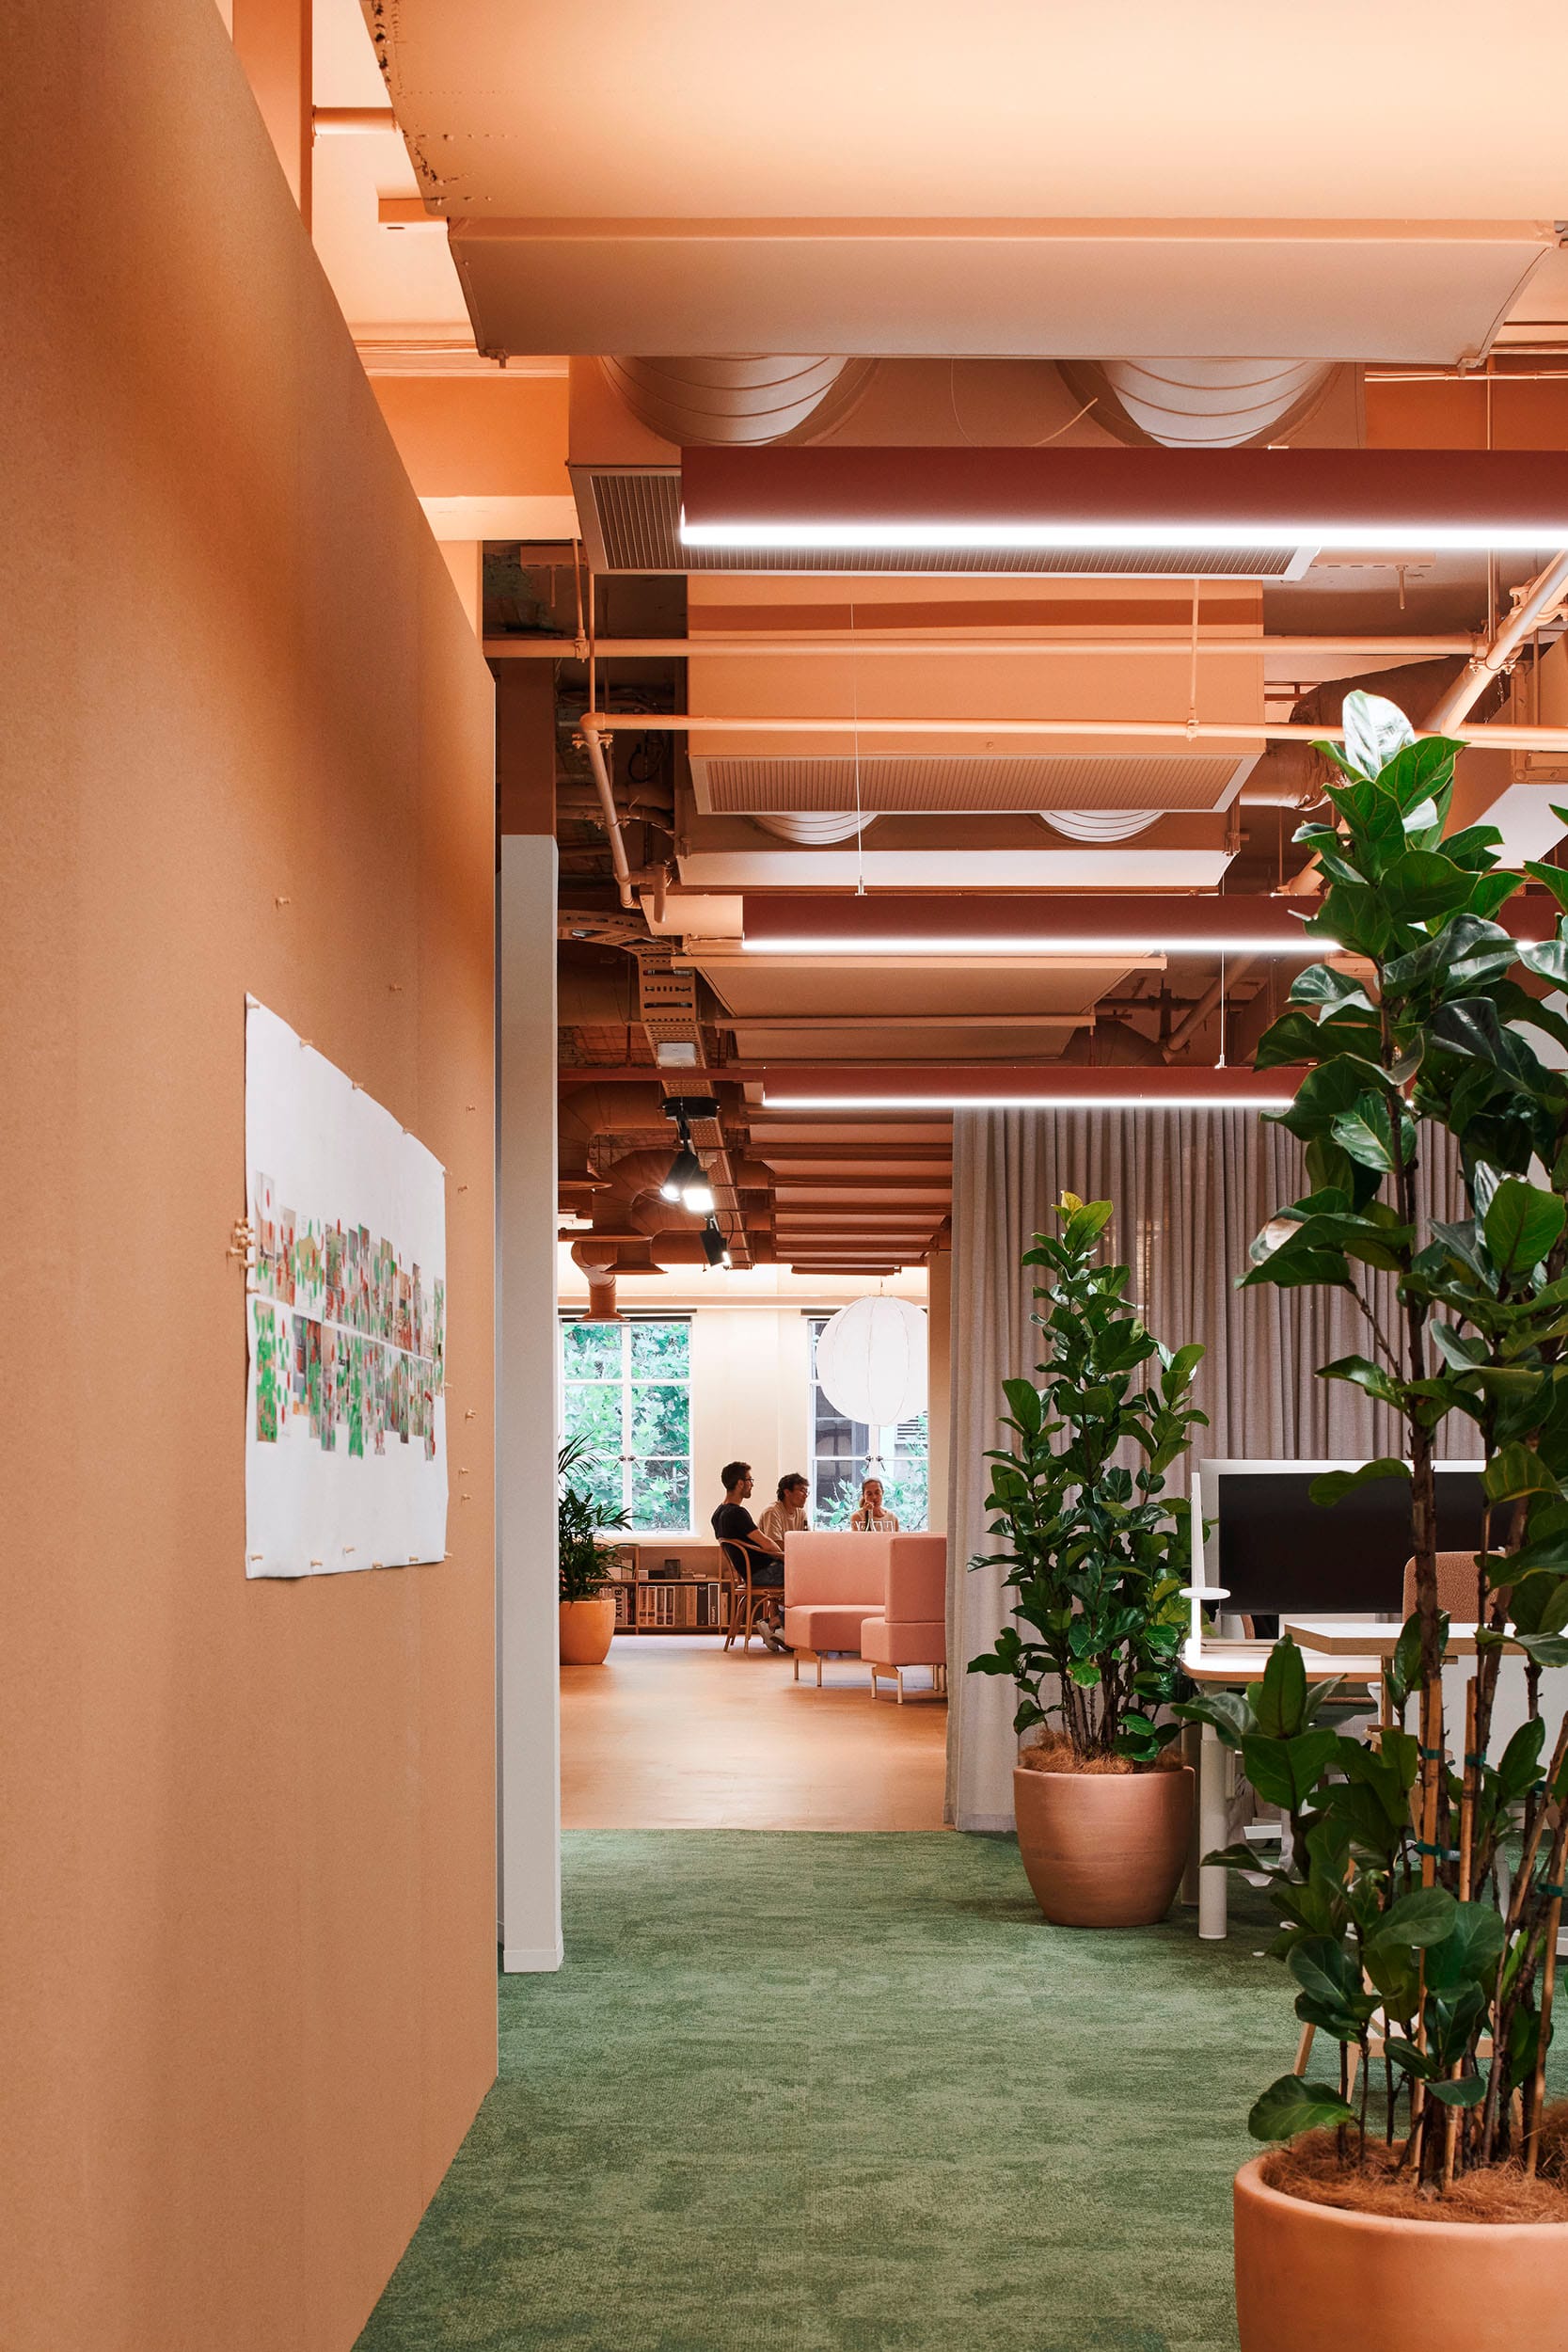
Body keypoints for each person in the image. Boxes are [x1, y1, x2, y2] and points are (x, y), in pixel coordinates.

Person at [710, 1460, 787, 1651]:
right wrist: (788, 1557)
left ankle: (779, 1627)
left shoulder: (717, 1514)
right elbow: (767, 1544)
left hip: (749, 1574)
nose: (752, 1484)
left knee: (795, 1580)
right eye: (750, 1480)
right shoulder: (737, 1513)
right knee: (809, 1579)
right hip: (763, 1573)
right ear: (740, 1483)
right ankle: (777, 1624)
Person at [757, 1471, 810, 1547]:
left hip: (792, 1552)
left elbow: (807, 1539)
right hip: (771, 1554)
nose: (805, 1496)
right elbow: (775, 1543)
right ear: (787, 1492)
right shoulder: (772, 1511)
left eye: (806, 1492)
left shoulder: (801, 1513)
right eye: (802, 1491)